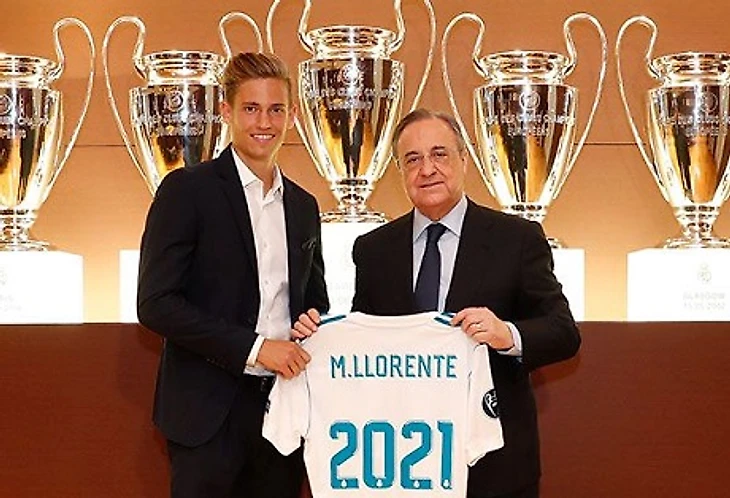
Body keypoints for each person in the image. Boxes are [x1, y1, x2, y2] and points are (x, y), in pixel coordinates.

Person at [293, 108, 580, 498]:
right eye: (413, 159)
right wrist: (318, 336)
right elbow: (367, 343)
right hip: (404, 463)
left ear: (463, 159)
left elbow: (563, 332)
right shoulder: (374, 249)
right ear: (400, 172)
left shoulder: (517, 238)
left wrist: (507, 334)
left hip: (495, 463)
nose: (427, 169)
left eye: (439, 154)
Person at [137, 52, 329, 498]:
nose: (264, 122)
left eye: (276, 109)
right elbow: (156, 303)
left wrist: (312, 319)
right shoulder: (186, 190)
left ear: (292, 116)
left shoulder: (304, 206)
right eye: (251, 108)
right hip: (205, 413)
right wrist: (258, 349)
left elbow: (314, 297)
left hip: (283, 412)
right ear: (226, 111)